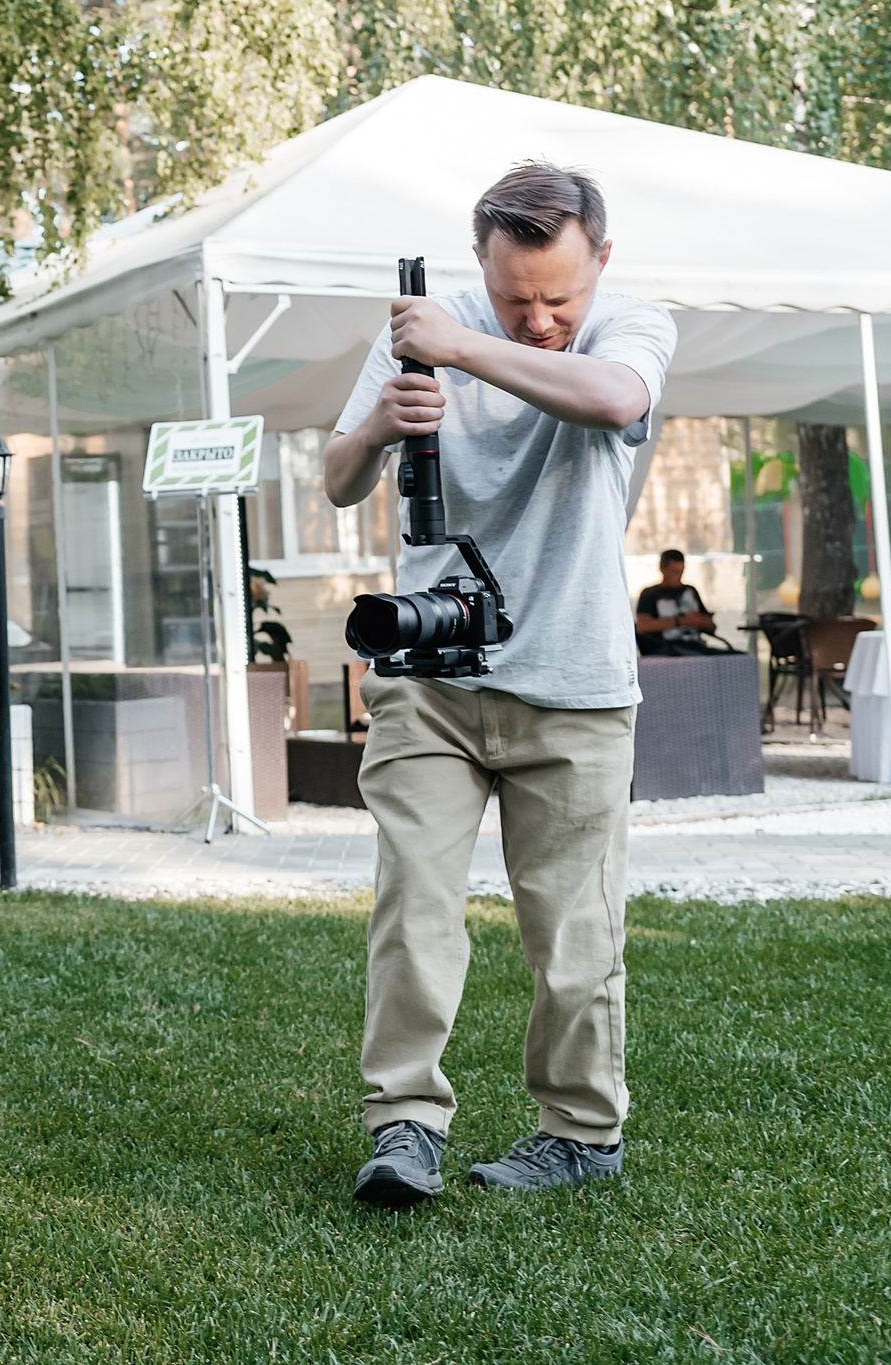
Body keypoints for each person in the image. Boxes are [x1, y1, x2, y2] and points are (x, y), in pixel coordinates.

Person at [322, 161, 677, 1206]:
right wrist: (386, 416)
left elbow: (613, 400)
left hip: (572, 682)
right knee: (412, 909)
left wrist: (462, 346)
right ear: (480, 261)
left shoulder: (629, 325)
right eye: (515, 295)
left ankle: (579, 1131)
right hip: (428, 679)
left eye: (558, 297)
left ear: (599, 261)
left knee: (572, 930)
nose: (537, 318)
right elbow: (338, 479)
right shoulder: (419, 329)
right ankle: (402, 1125)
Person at [635, 548, 719, 655]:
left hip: (694, 645)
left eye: (680, 572)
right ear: (662, 569)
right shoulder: (650, 594)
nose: (678, 576)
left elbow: (711, 627)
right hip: (664, 647)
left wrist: (700, 621)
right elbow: (643, 626)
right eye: (674, 572)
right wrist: (682, 621)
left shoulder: (690, 591)